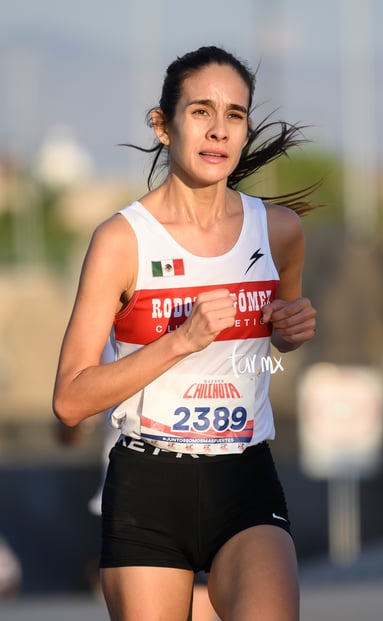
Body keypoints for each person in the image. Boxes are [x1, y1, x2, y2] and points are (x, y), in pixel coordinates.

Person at [53, 45, 317, 621]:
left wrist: (288, 332)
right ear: (163, 124)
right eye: (201, 111)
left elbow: (275, 332)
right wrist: (180, 340)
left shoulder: (279, 232)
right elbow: (71, 401)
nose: (218, 130)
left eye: (235, 115)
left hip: (245, 476)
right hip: (148, 486)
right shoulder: (122, 241)